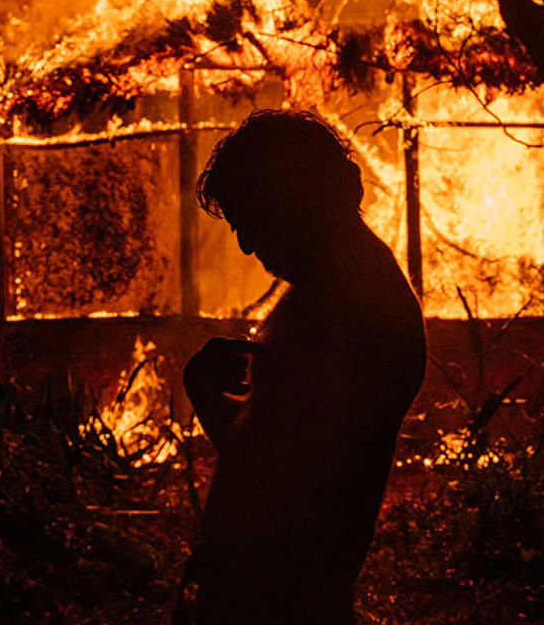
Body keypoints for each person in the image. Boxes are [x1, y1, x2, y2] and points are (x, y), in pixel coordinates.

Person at [175, 110, 426, 624]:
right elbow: (284, 457)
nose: (246, 245)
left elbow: (286, 482)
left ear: (298, 199)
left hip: (281, 598)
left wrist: (207, 399)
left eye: (252, 217)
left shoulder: (344, 308)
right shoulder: (344, 294)